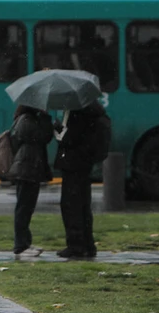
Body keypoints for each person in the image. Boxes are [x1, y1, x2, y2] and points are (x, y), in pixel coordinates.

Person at [54, 101, 109, 259]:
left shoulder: (77, 112)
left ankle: (75, 245)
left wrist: (57, 128)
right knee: (84, 205)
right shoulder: (93, 111)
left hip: (73, 163)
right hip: (84, 163)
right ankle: (87, 244)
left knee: (71, 205)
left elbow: (67, 138)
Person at [7, 104, 54, 258]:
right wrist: (46, 119)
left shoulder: (26, 119)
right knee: (24, 208)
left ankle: (24, 243)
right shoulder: (27, 120)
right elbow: (44, 137)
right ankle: (21, 245)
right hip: (27, 169)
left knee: (26, 208)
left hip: (29, 168)